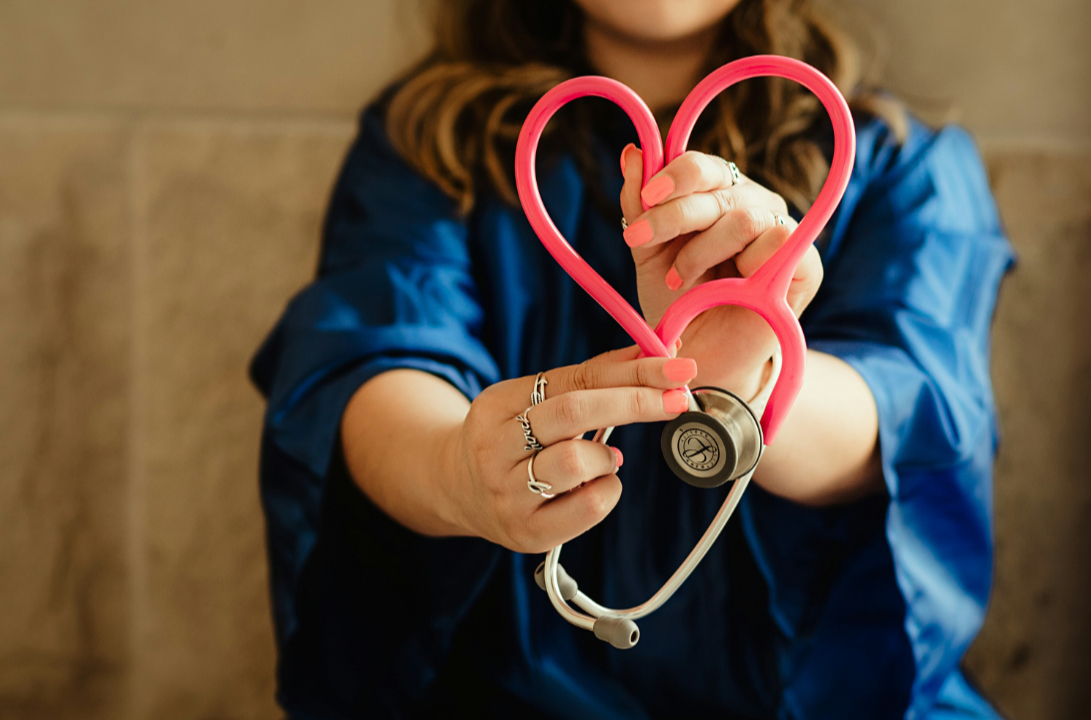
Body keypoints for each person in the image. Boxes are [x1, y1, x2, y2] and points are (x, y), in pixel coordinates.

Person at [250, 0, 1015, 717]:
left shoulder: (902, 166)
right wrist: (456, 472)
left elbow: (912, 410)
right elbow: (371, 356)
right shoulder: (426, 145)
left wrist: (747, 380)